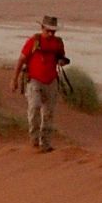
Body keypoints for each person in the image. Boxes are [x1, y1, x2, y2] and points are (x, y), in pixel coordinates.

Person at [13, 14, 71, 153]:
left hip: (51, 81)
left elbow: (61, 57)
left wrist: (62, 61)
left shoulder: (58, 42)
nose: (51, 33)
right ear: (42, 28)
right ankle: (34, 139)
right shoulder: (33, 41)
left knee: (48, 113)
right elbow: (21, 60)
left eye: (53, 31)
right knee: (34, 108)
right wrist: (14, 79)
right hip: (34, 80)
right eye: (48, 30)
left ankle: (45, 143)